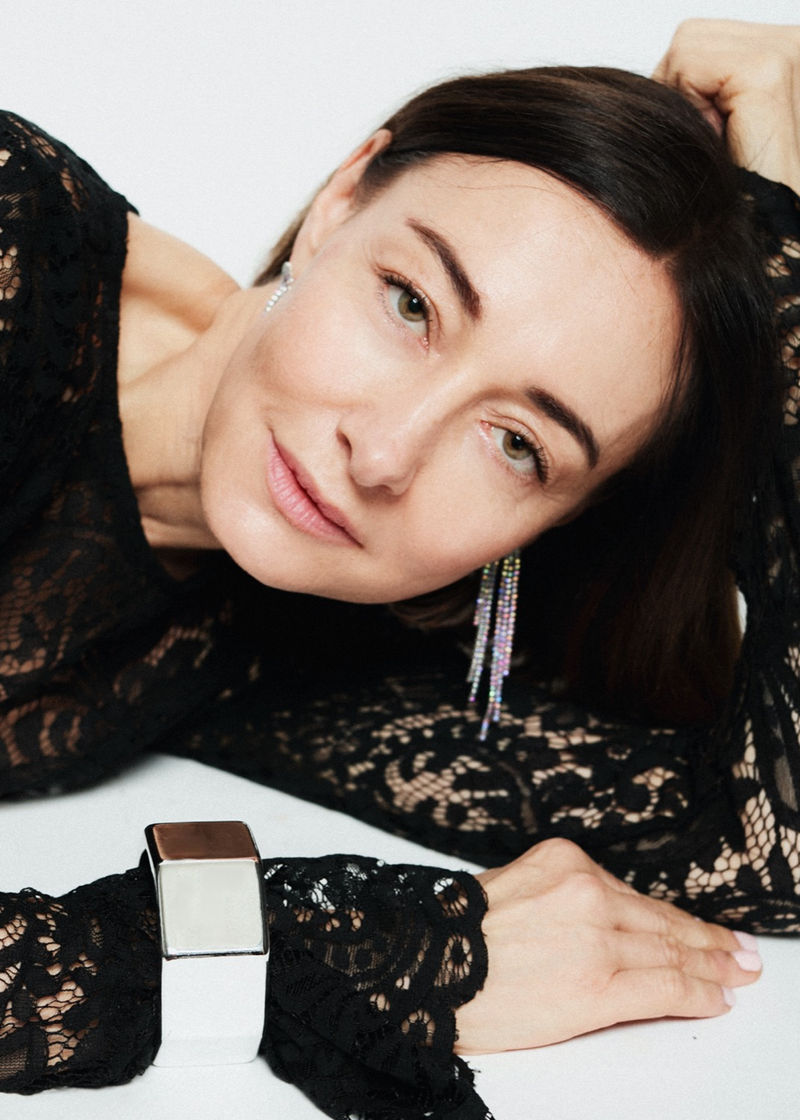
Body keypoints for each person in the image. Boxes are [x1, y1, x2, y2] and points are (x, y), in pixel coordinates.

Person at [1, 17, 798, 1119]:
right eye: (412, 304)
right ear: (340, 200)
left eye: (517, 445)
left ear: (552, 523)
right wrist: (349, 946)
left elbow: (766, 847)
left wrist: (784, 268)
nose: (382, 454)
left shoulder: (301, 625)